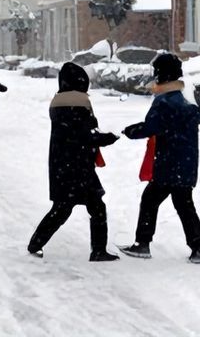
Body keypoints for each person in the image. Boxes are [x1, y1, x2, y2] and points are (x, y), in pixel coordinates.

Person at [119, 53, 200, 264]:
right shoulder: (186, 100)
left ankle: (142, 244)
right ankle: (197, 249)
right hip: (186, 164)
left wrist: (128, 131)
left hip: (168, 164)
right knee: (185, 205)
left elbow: (152, 127)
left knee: (150, 201)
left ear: (161, 75)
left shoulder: (164, 101)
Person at [27, 62, 120, 262]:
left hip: (67, 166)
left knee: (68, 209)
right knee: (78, 209)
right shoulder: (74, 104)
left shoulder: (62, 101)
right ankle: (97, 251)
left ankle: (37, 243)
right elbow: (82, 136)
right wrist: (105, 139)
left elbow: (80, 132)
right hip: (75, 167)